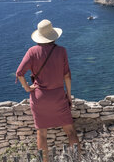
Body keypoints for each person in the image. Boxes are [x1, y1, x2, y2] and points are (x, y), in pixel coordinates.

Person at [16, 19, 80, 160]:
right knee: (70, 132)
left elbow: (19, 73)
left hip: (39, 98)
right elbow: (67, 76)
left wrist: (27, 88)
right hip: (58, 97)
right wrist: (68, 96)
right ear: (53, 35)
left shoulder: (32, 51)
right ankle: (77, 159)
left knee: (42, 134)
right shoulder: (61, 51)